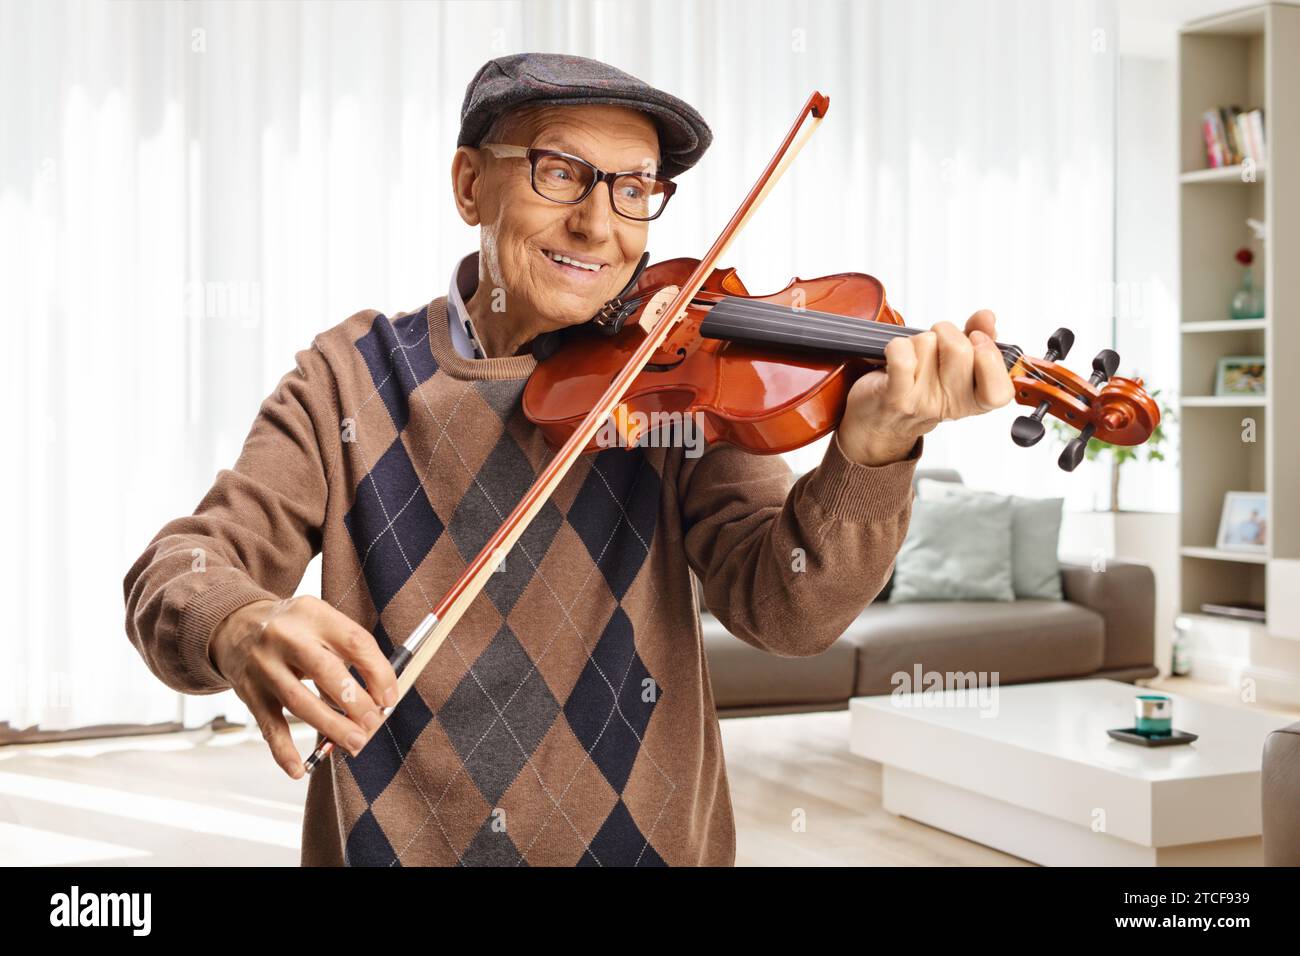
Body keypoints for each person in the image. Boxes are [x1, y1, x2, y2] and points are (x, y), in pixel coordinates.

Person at [123, 52, 1014, 866]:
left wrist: (872, 451)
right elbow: (181, 568)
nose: (598, 224)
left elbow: (789, 610)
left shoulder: (676, 380)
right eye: (560, 174)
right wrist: (236, 623)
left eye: (635, 189)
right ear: (471, 184)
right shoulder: (348, 378)